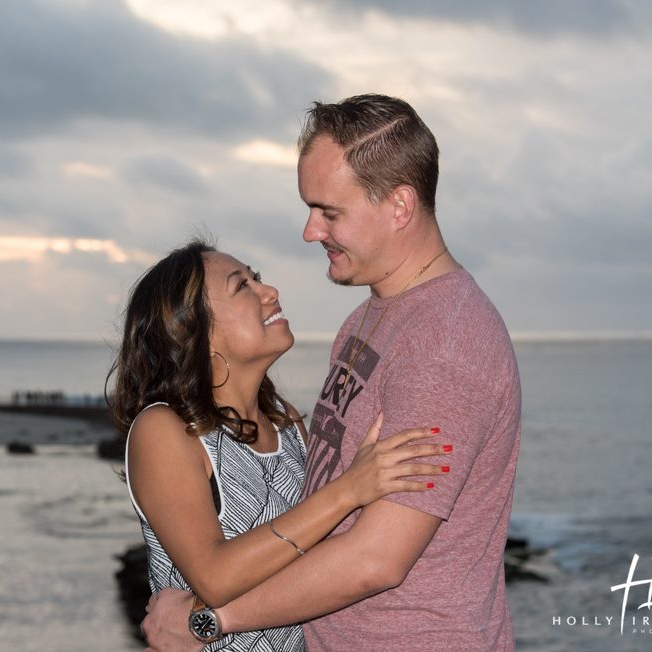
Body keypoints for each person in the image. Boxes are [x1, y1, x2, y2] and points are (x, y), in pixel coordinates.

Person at [142, 94, 522, 651]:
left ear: (399, 206)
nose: (310, 231)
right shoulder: (363, 323)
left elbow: (378, 558)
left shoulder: (447, 342)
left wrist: (209, 621)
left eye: (329, 212)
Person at [109, 238, 451, 651]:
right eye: (242, 286)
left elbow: (312, 558)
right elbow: (215, 577)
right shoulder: (165, 429)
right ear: (196, 331)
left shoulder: (284, 422)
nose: (269, 292)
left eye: (257, 279)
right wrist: (349, 490)